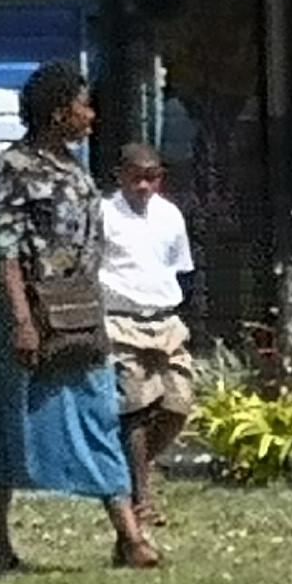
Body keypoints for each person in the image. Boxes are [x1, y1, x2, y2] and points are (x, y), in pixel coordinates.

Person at [0, 61, 152, 573]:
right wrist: (21, 322)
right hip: (29, 311)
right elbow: (6, 249)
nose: (91, 115)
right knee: (12, 422)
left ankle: (130, 536)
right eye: (83, 104)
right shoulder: (12, 169)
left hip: (79, 309)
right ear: (58, 112)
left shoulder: (74, 169)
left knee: (97, 411)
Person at [95, 139, 199, 531]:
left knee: (177, 406)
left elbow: (180, 268)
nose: (143, 186)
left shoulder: (170, 215)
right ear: (119, 177)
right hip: (121, 321)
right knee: (134, 411)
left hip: (165, 320)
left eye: (152, 178)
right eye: (136, 178)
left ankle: (131, 467)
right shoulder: (104, 214)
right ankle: (141, 500)